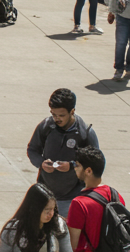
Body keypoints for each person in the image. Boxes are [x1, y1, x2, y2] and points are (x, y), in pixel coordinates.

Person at [25, 88, 100, 219]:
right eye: (53, 114)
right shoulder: (46, 126)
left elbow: (95, 162)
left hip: (71, 197)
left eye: (61, 115)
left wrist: (72, 166)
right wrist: (41, 163)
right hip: (45, 194)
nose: (57, 119)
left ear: (72, 112)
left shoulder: (85, 133)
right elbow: (32, 149)